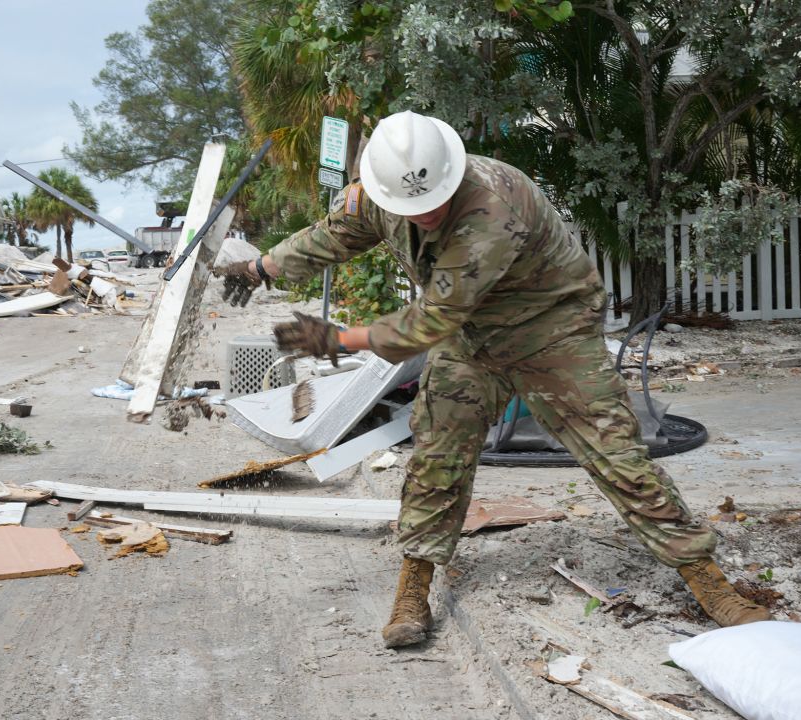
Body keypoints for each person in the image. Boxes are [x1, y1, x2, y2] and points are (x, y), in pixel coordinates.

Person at [219, 111, 769, 648]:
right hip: (470, 339)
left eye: (435, 200)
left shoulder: (491, 207)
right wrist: (261, 267)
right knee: (437, 455)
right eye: (414, 205)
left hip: (550, 332)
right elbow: (335, 234)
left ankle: (709, 583)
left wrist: (337, 340)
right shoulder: (380, 195)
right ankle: (415, 582)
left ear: (452, 175)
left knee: (616, 455)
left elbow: (431, 321)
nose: (427, 212)